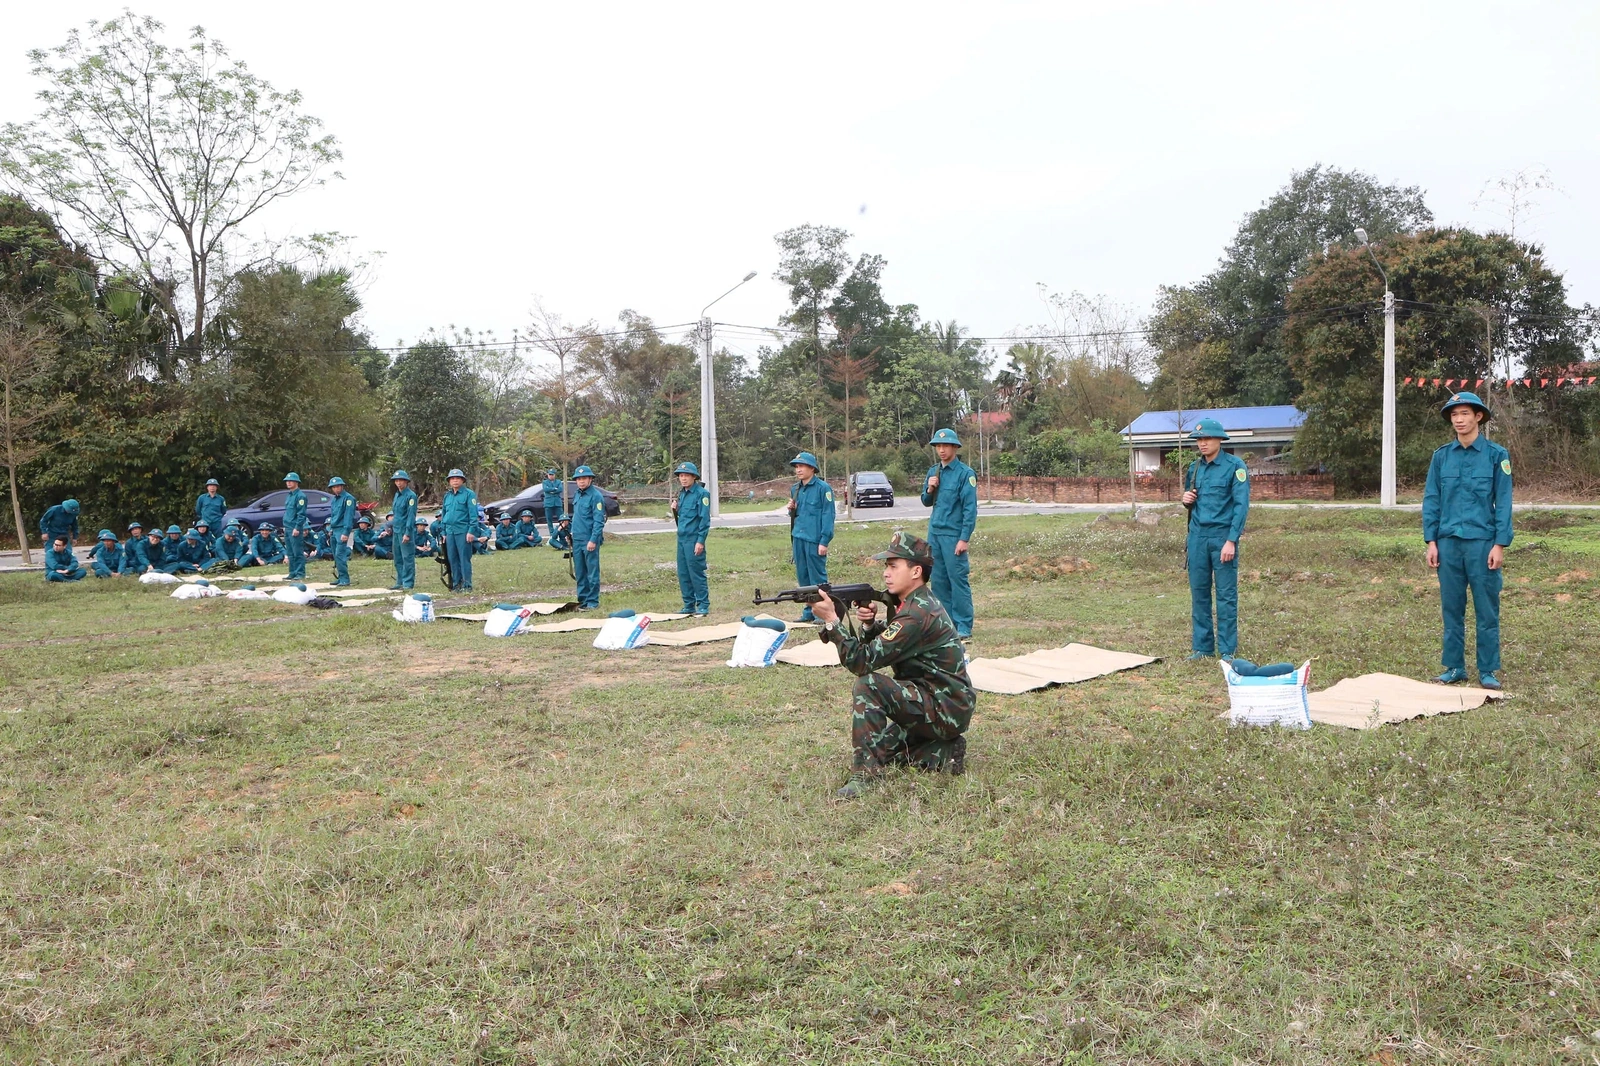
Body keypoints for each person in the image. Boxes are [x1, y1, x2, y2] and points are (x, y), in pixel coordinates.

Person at [811, 531, 975, 800]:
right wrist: (867, 625)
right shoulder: (916, 603)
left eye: (893, 566)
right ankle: (941, 751)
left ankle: (865, 776)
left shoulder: (915, 613)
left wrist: (832, 621)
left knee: (868, 685)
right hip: (942, 701)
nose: (886, 573)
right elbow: (891, 642)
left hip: (943, 705)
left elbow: (862, 662)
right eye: (886, 566)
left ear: (916, 571)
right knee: (883, 747)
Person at [1423, 391, 1513, 690]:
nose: (1459, 419)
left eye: (1464, 413)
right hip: (1448, 544)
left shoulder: (1496, 456)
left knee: (1486, 610)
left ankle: (1487, 669)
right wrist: (1431, 541)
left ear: (1478, 417)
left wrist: (1499, 544)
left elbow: (1504, 501)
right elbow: (1432, 500)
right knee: (1452, 608)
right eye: (1454, 414)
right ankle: (1454, 667)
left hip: (1482, 544)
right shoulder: (1441, 456)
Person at [1180, 418, 1250, 661]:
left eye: (1207, 438)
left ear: (1220, 439)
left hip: (1222, 538)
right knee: (1199, 593)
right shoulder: (1195, 468)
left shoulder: (1235, 466)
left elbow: (1241, 506)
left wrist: (1232, 540)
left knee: (1226, 594)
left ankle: (1228, 650)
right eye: (1199, 439)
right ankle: (1203, 647)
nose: (1203, 443)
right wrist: (1185, 499)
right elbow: (1192, 498)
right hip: (1197, 538)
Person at [920, 428, 979, 639]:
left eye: (946, 446)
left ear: (955, 447)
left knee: (957, 579)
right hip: (935, 533)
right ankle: (945, 624)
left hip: (954, 535)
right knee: (938, 581)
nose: (942, 450)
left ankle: (963, 625)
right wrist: (929, 488)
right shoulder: (933, 472)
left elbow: (969, 509)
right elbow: (926, 502)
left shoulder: (965, 474)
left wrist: (964, 538)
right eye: (938, 446)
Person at [786, 451, 835, 622]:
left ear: (812, 468)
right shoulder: (796, 489)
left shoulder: (823, 489)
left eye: (801, 466)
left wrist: (824, 540)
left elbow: (828, 516)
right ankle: (809, 611)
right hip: (798, 537)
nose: (798, 470)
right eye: (796, 467)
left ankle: (822, 612)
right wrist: (791, 509)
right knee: (803, 577)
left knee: (818, 578)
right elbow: (797, 515)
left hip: (814, 539)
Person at [672, 461, 711, 615]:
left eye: (686, 475)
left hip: (694, 539)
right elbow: (682, 518)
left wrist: (700, 541)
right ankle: (688, 604)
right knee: (683, 573)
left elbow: (704, 520)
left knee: (696, 572)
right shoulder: (682, 494)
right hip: (682, 539)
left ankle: (703, 605)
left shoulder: (702, 494)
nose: (683, 478)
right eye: (681, 476)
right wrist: (675, 509)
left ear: (694, 477)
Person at [569, 465, 607, 609]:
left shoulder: (596, 496)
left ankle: (592, 602)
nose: (581, 481)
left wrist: (593, 540)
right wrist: (571, 533)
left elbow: (599, 521)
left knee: (591, 572)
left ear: (590, 479)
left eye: (584, 478)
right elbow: (577, 516)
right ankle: (582, 600)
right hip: (577, 539)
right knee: (580, 572)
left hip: (589, 539)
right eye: (578, 479)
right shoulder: (578, 494)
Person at [440, 469, 479, 591]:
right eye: (452, 478)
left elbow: (473, 514)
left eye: (457, 478)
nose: (455, 480)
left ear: (462, 480)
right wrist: (443, 532)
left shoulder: (469, 494)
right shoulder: (447, 496)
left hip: (463, 531)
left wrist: (471, 531)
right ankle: (456, 584)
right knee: (452, 559)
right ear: (449, 481)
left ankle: (467, 585)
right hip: (450, 532)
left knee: (464, 559)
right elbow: (444, 514)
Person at [324, 476, 358, 586]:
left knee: (340, 554)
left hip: (342, 529)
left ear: (342, 486)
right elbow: (333, 515)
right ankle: (340, 577)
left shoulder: (348, 499)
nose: (336, 489)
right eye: (333, 487)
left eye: (338, 486)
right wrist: (330, 529)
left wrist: (346, 532)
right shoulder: (334, 499)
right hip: (334, 529)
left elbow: (349, 517)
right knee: (335, 554)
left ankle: (345, 579)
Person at [389, 470, 419, 591]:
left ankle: (408, 582)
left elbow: (411, 516)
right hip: (396, 530)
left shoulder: (410, 496)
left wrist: (407, 533)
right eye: (396, 481)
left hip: (405, 530)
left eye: (401, 480)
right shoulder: (397, 495)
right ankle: (400, 580)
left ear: (406, 482)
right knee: (398, 557)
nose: (398, 483)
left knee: (407, 556)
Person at [281, 472, 310, 581]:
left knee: (297, 551)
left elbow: (301, 514)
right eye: (287, 481)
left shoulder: (300, 496)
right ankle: (292, 572)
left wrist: (297, 527)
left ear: (296, 482)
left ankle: (300, 573)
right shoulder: (289, 495)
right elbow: (288, 512)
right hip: (287, 526)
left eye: (290, 481)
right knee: (290, 551)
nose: (288, 483)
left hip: (294, 527)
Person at [540, 468, 564, 542]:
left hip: (557, 502)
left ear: (554, 475)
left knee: (561, 518)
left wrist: (551, 490)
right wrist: (554, 489)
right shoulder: (545, 482)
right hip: (548, 503)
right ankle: (552, 534)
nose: (551, 476)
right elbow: (546, 489)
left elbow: (560, 489)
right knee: (549, 519)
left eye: (552, 475)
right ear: (547, 475)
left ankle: (562, 533)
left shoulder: (559, 481)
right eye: (549, 474)